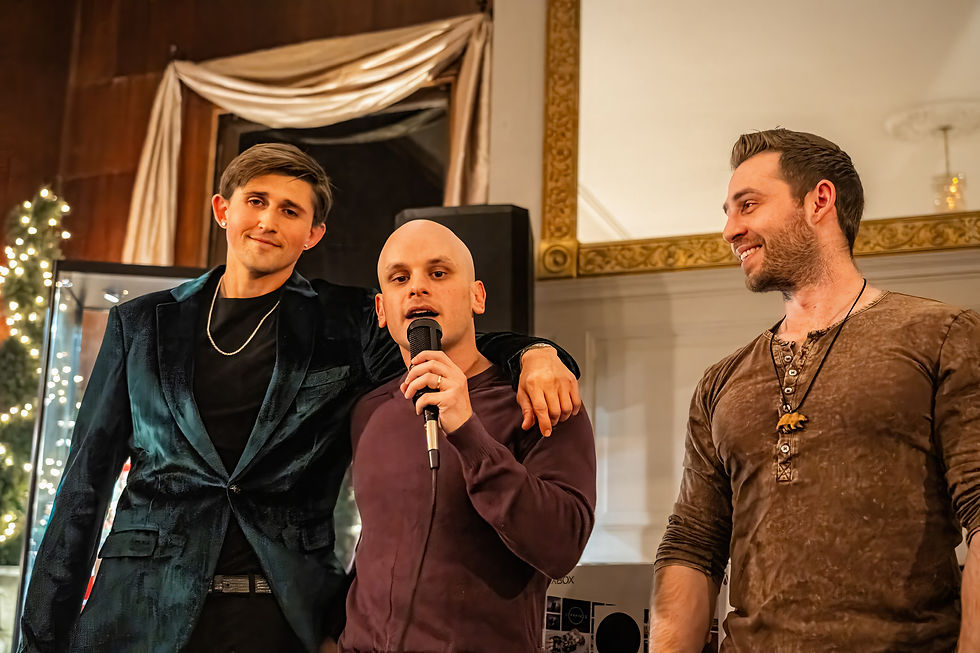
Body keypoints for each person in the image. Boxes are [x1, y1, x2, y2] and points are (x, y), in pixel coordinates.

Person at [18, 144, 583, 653]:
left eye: (290, 210)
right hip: (138, 610)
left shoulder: (349, 324)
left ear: (313, 233)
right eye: (256, 201)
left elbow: (446, 328)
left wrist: (538, 353)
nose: (268, 221)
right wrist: (42, 634)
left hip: (282, 614)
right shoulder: (138, 325)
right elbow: (84, 485)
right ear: (223, 210)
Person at [652, 129, 980, 651]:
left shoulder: (942, 336)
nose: (729, 230)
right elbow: (692, 546)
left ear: (819, 201)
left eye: (748, 205)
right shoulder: (720, 382)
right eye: (728, 211)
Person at [339, 220, 596, 652]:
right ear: (383, 310)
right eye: (400, 278)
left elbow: (561, 546)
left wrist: (467, 430)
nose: (417, 288)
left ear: (477, 296)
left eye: (438, 273)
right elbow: (374, 548)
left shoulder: (539, 398)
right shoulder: (369, 410)